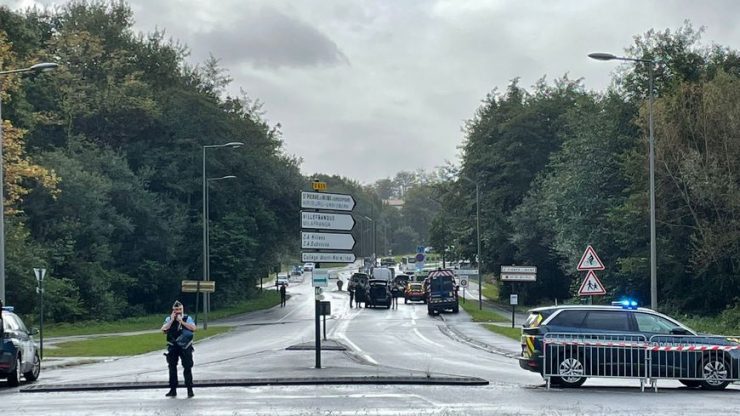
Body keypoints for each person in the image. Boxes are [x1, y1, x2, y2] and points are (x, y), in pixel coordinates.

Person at [161, 300, 197, 398]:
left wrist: (182, 322)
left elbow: (193, 328)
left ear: (182, 309)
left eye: (180, 309)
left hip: (185, 346)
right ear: (173, 310)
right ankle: (173, 390)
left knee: (187, 367)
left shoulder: (187, 318)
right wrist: (172, 320)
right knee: (172, 367)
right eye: (176, 310)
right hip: (173, 346)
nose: (178, 311)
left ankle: (190, 390)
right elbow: (164, 330)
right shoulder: (169, 319)